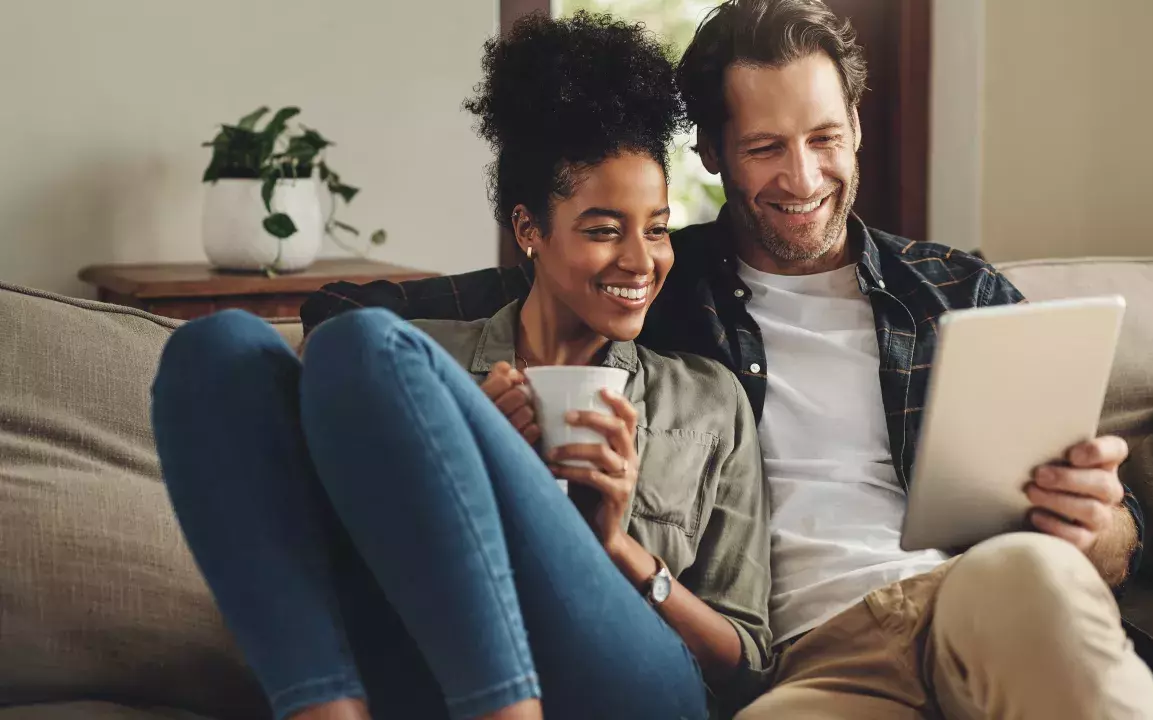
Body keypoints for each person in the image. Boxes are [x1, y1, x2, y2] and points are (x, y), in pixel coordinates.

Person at [301, 1, 1153, 718]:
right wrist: (462, 405)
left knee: (1034, 578)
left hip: (982, 599)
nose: (803, 177)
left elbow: (1118, 528)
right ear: (712, 156)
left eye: (825, 138)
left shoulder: (956, 288)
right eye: (765, 148)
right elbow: (356, 319)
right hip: (813, 664)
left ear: (858, 127)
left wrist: (1098, 521)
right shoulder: (654, 285)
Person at [153, 12, 771, 720]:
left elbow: (747, 662)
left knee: (363, 343)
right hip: (426, 665)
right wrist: (465, 444)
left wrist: (616, 547)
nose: (642, 261)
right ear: (528, 230)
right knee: (215, 348)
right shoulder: (421, 367)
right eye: (604, 230)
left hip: (631, 685)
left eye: (657, 229)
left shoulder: (707, 400)